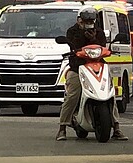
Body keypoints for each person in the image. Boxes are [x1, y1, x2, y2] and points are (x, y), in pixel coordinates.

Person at [55, 7, 128, 141]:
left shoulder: (98, 31)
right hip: (78, 66)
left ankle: (116, 127)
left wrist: (93, 38)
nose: (88, 23)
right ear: (79, 20)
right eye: (85, 20)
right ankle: (62, 128)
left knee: (110, 93)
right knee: (72, 94)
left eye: (91, 20)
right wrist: (83, 35)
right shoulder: (72, 31)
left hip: (98, 64)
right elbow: (74, 45)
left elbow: (102, 46)